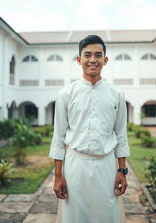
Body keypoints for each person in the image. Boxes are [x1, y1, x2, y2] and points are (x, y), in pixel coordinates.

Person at [49, 34, 130, 223]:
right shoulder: (65, 94)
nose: (93, 60)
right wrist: (58, 176)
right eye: (87, 55)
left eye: (98, 55)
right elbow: (58, 137)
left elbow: (120, 135)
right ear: (79, 60)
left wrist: (122, 171)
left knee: (107, 214)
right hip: (76, 165)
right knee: (75, 216)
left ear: (105, 60)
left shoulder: (117, 94)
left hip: (106, 166)